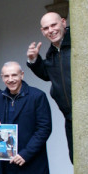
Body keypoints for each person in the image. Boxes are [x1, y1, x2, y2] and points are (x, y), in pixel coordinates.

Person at [27, 11, 72, 161]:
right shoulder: (52, 52)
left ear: (63, 22)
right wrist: (34, 60)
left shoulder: (78, 41)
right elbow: (48, 75)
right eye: (46, 28)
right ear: (42, 31)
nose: (51, 30)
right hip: (69, 117)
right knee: (76, 158)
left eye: (54, 25)